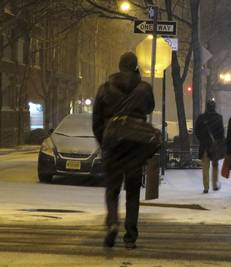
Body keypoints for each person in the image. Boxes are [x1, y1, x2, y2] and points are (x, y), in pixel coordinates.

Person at [92, 52, 155, 249]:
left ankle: (112, 223)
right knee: (133, 191)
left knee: (112, 189)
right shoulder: (144, 88)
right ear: (136, 66)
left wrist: (105, 142)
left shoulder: (106, 88)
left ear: (119, 66)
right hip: (135, 144)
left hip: (113, 143)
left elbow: (96, 121)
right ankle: (130, 236)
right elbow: (149, 108)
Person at [194, 99, 225, 193]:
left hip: (204, 145)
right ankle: (214, 184)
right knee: (215, 166)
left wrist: (202, 139)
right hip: (214, 145)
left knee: (205, 166)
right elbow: (221, 133)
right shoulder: (218, 117)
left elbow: (196, 131)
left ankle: (206, 187)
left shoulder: (201, 118)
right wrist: (219, 142)